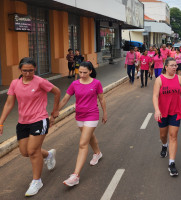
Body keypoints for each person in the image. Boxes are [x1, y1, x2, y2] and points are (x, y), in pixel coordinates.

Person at [0, 57, 61, 196]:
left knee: (33, 151)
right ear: (20, 70)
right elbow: (9, 104)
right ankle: (49, 155)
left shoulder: (40, 81)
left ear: (35, 69)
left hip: (39, 119)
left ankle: (37, 181)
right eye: (25, 71)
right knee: (25, 152)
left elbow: (57, 91)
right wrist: (1, 122)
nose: (28, 73)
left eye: (31, 71)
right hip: (23, 122)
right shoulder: (15, 83)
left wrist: (55, 111)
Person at [59, 61, 107, 187]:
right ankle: (98, 153)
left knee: (83, 143)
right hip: (79, 115)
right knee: (89, 136)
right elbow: (65, 99)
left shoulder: (96, 83)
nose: (82, 75)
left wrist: (105, 113)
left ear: (90, 71)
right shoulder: (74, 84)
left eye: (85, 72)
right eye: (80, 72)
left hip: (92, 114)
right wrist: (54, 112)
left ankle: (75, 176)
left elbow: (101, 99)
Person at [153, 57, 181, 177]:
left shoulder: (179, 79)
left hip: (175, 111)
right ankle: (164, 145)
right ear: (166, 66)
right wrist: (157, 110)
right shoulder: (159, 80)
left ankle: (171, 163)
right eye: (172, 65)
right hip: (162, 112)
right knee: (163, 135)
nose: (175, 67)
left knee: (173, 136)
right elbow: (155, 96)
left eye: (175, 65)